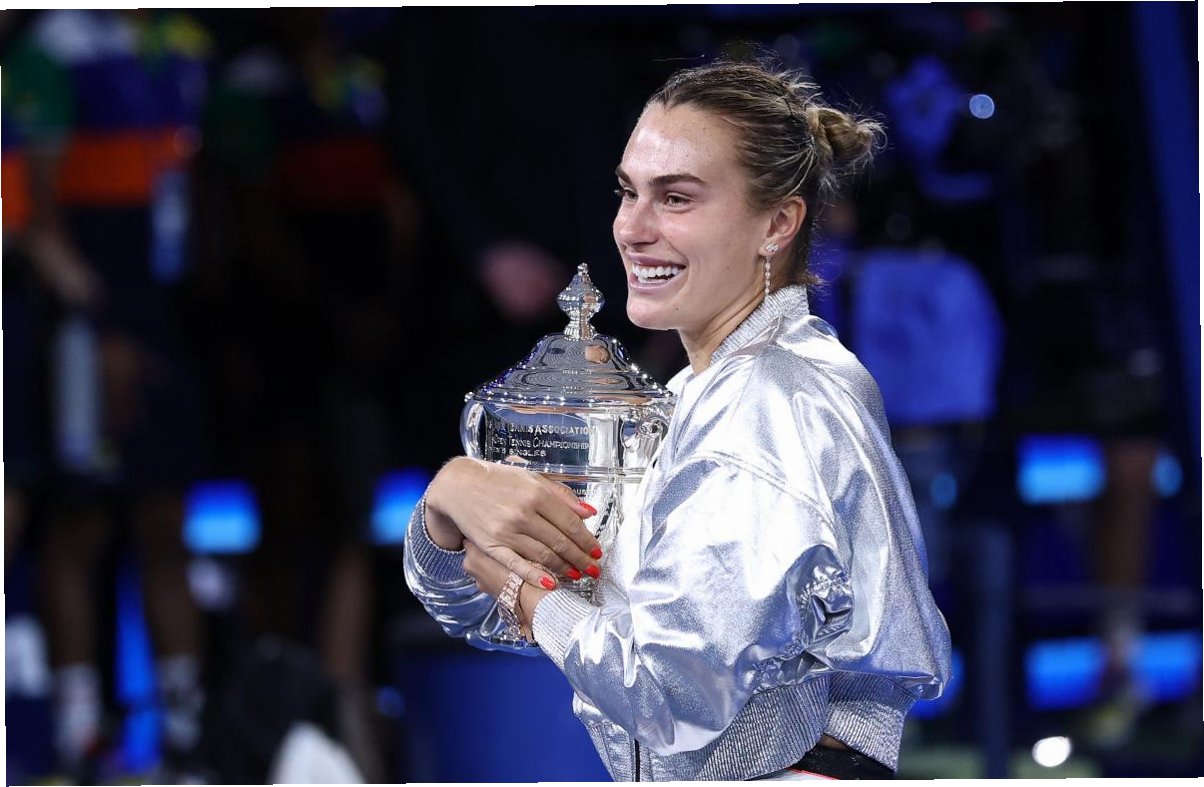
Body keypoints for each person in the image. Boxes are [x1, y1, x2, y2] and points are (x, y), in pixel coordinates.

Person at [404, 60, 951, 781]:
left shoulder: (767, 405)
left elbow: (666, 693)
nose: (632, 228)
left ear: (777, 224)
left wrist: (525, 595)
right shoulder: (706, 391)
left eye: (676, 198)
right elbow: (497, 611)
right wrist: (447, 511)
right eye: (628, 191)